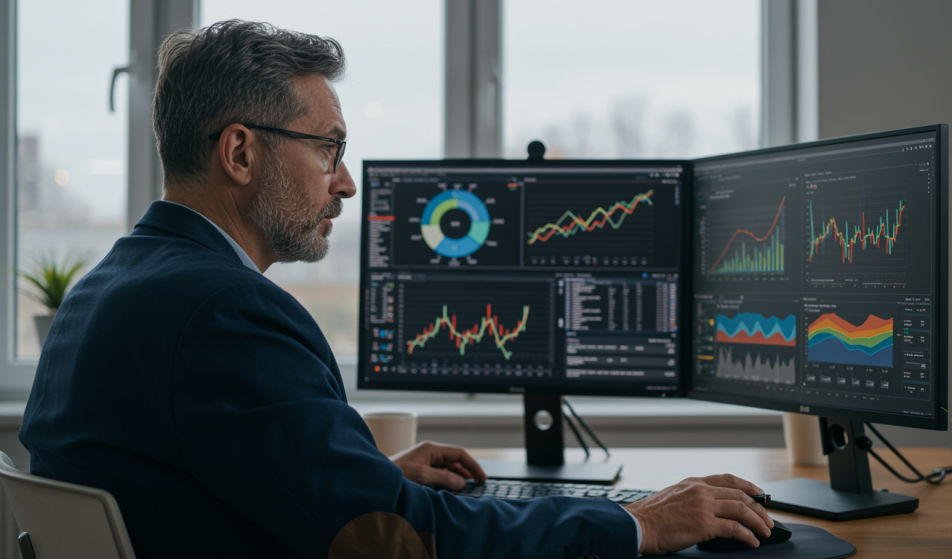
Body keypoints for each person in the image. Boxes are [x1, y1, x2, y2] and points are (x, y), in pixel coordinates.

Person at [18, 20, 773, 559]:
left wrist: (362, 474)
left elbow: (194, 482)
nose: (345, 182)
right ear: (240, 152)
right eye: (329, 149)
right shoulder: (226, 312)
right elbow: (403, 541)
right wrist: (638, 523)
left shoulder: (105, 289)